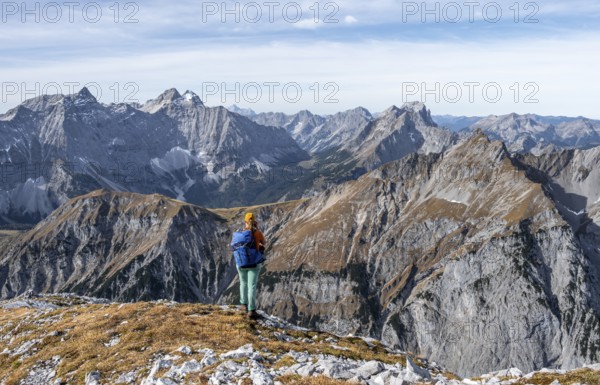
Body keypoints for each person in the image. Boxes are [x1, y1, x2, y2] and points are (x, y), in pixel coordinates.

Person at [237, 212, 266, 319]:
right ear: (254, 221)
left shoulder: (239, 232)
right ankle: (251, 310)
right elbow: (264, 242)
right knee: (252, 286)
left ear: (245, 221)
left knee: (243, 283)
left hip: (240, 262)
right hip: (254, 262)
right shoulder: (257, 232)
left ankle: (243, 305)